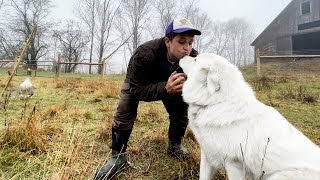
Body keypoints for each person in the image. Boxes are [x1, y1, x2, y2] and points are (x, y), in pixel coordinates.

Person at [94, 18, 201, 180]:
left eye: (190, 42)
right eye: (181, 42)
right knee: (126, 103)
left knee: (183, 103)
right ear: (167, 41)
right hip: (140, 83)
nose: (187, 48)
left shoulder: (192, 57)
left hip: (170, 87)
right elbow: (135, 89)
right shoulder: (144, 54)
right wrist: (165, 88)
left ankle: (174, 145)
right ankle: (118, 157)